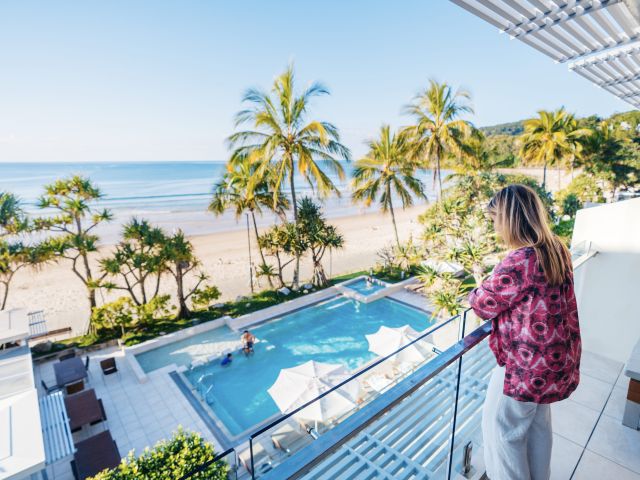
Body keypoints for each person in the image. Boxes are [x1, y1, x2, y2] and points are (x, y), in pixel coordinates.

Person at [468, 184, 581, 480]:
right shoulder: (557, 249)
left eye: (495, 220)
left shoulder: (520, 261)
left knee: (501, 432)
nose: (495, 228)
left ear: (509, 219)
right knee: (537, 426)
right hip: (553, 362)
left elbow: (482, 303)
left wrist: (480, 285)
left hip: (526, 366)